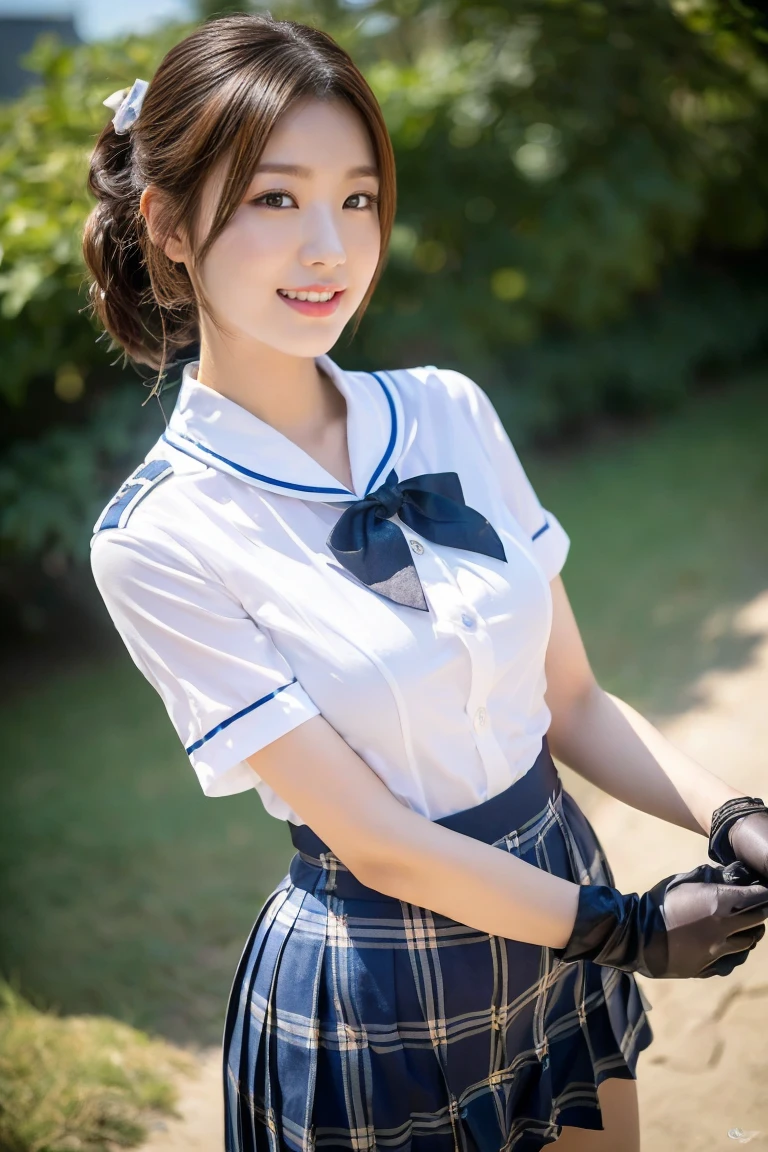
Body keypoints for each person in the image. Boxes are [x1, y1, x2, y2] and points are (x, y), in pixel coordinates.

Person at [82, 13, 768, 1151]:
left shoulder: (448, 407)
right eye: (274, 198)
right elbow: (376, 838)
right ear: (167, 224)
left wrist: (734, 816)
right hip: (382, 977)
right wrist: (629, 931)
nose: (331, 248)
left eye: (357, 199)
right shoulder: (158, 535)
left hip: (562, 886)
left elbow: (575, 701)